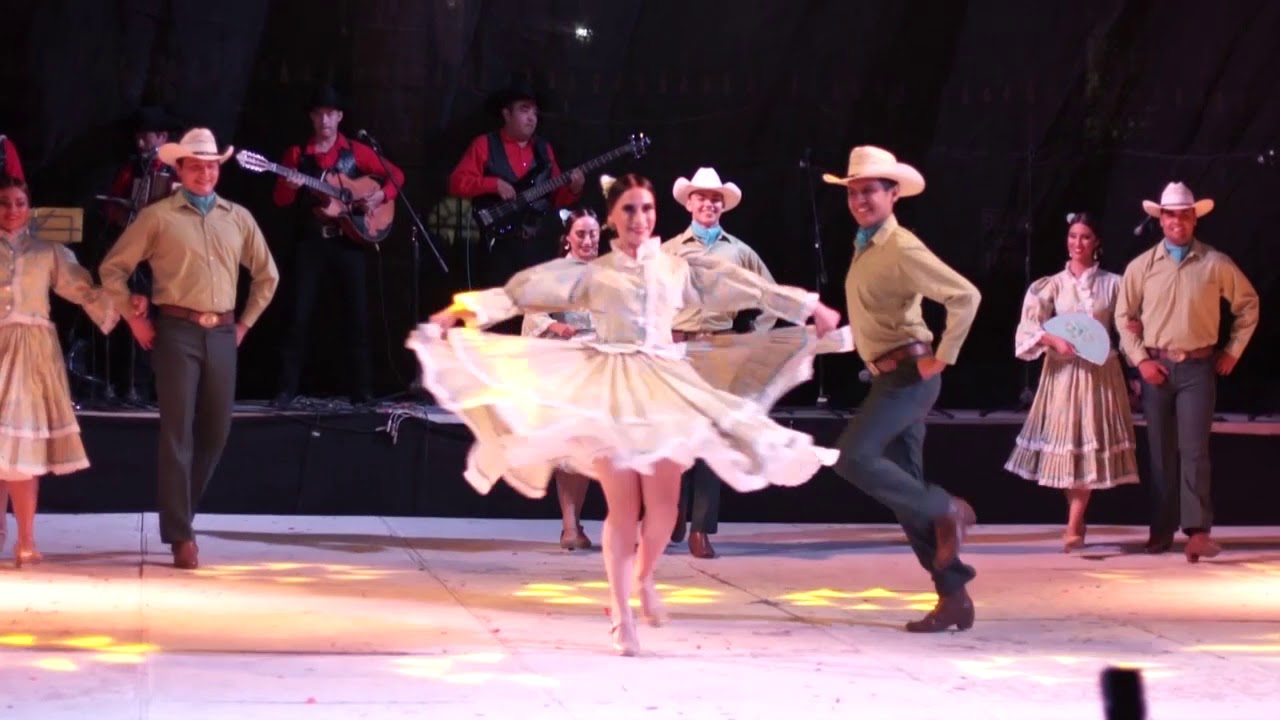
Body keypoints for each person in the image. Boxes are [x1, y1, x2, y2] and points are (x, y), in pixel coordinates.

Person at [408, 173, 847, 655]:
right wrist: (460, 310)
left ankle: (644, 578)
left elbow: (744, 285)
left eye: (647, 209)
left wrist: (809, 305)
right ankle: (620, 612)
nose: (640, 219)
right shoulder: (594, 273)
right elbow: (523, 292)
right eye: (630, 210)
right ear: (614, 219)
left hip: (664, 383)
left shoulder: (677, 268)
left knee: (664, 508)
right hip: (611, 385)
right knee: (623, 507)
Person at [100, 128, 279, 570]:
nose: (206, 172)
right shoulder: (158, 217)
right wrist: (134, 317)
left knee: (216, 430)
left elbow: (267, 276)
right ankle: (182, 535)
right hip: (176, 331)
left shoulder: (237, 217)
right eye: (197, 165)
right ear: (179, 169)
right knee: (176, 431)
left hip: (221, 331)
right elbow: (113, 268)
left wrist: (243, 325)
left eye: (213, 164)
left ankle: (181, 515)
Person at [822, 145, 982, 633]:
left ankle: (948, 508)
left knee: (852, 456)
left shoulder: (900, 245)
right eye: (853, 192)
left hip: (909, 379)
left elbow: (966, 296)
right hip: (888, 375)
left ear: (893, 193)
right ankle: (953, 596)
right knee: (904, 492)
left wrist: (944, 357)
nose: (859, 199)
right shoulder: (867, 245)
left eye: (869, 191)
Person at [1115, 182, 1259, 562]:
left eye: (1183, 213)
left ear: (1194, 218)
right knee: (1161, 453)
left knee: (1194, 451)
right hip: (1157, 367)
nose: (1176, 220)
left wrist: (1232, 351)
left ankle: (1197, 532)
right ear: (1159, 220)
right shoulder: (1141, 266)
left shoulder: (1215, 263)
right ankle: (1161, 530)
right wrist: (1140, 360)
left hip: (1197, 366)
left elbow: (1248, 305)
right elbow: (1123, 315)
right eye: (1169, 214)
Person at [0, 177, 120, 566]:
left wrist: (122, 304)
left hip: (30, 352)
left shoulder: (46, 251)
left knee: (22, 446)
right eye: (4, 202)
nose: (13, 210)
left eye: (19, 202)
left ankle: (26, 540)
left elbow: (81, 288)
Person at [1004, 212, 1140, 551]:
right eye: (1073, 236)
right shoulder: (1051, 285)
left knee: (1090, 443)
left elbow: (1125, 327)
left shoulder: (1114, 284)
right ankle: (1076, 518)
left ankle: (1074, 522)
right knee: (1069, 445)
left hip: (1100, 375)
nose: (1077, 243)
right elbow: (1029, 327)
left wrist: (1135, 335)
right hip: (1063, 375)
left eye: (1085, 237)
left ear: (1097, 243)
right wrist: (1053, 340)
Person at [661, 167, 777, 559]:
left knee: (711, 437)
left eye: (715, 199)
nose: (708, 204)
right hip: (677, 347)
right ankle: (673, 511)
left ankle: (700, 527)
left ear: (722, 205)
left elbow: (770, 295)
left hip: (717, 348)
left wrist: (752, 337)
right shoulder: (670, 250)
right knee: (677, 436)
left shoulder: (738, 251)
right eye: (701, 197)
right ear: (689, 203)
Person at [272, 84, 405, 408]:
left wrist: (378, 196)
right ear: (312, 118)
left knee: (357, 318)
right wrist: (290, 186)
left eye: (330, 114)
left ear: (340, 116)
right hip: (313, 243)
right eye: (319, 114)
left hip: (350, 242)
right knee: (298, 316)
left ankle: (361, 393)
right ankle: (286, 390)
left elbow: (396, 176)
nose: (325, 120)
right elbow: (281, 200)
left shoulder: (356, 150)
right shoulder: (297, 155)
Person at [447, 75, 585, 290]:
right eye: (524, 110)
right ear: (506, 113)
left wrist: (574, 189)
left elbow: (557, 198)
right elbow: (456, 183)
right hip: (497, 248)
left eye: (534, 112)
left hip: (536, 246)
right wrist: (492, 184)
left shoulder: (543, 150)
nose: (532, 118)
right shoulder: (485, 145)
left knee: (536, 314)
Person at [520, 208, 603, 550]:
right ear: (567, 237)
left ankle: (627, 524)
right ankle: (570, 526)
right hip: (569, 363)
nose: (587, 240)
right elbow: (532, 312)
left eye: (593, 234)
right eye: (581, 234)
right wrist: (555, 325)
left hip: (603, 362)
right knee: (573, 447)